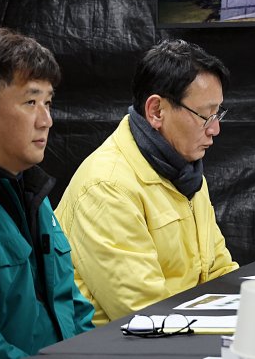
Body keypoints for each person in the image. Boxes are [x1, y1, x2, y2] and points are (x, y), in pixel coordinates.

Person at [55, 40, 238, 325]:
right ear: (156, 111)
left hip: (182, 330)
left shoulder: (185, 172)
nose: (215, 128)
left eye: (218, 113)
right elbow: (145, 313)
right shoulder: (107, 187)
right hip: (122, 341)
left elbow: (219, 272)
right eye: (206, 115)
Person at [0, 27, 94, 357]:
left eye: (48, 102)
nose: (46, 120)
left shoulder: (30, 189)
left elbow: (74, 307)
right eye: (30, 102)